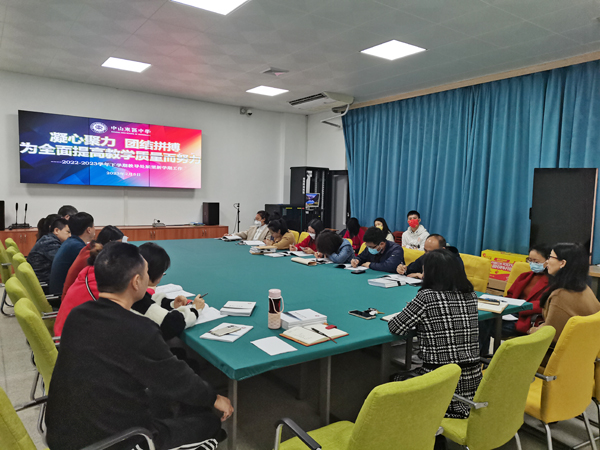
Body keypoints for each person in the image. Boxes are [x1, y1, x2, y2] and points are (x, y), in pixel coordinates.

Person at [46, 242, 232, 450]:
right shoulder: (138, 329)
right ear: (136, 282)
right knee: (209, 423)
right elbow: (175, 377)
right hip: (114, 442)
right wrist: (214, 398)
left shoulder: (78, 315)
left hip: (63, 435)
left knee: (167, 398)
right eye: (146, 274)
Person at [388, 249, 482, 421]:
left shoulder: (427, 296)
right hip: (472, 385)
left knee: (395, 377)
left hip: (440, 386)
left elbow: (396, 327)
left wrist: (412, 310)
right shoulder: (471, 295)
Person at [528, 243, 600, 344]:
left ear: (562, 263)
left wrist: (531, 330)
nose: (547, 261)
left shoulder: (560, 295)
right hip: (584, 347)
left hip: (561, 350)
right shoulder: (585, 289)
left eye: (550, 257)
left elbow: (550, 336)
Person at [133, 242, 206, 340]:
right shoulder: (139, 302)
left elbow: (151, 301)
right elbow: (172, 324)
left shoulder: (130, 292)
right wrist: (195, 309)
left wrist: (171, 304)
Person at [61, 225, 124, 300]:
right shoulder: (91, 258)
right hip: (74, 299)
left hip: (72, 298)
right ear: (110, 244)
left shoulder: (90, 250)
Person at [504, 244, 551, 335]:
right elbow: (510, 295)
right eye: (530, 260)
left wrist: (520, 307)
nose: (532, 263)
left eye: (536, 261)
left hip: (527, 319)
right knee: (482, 322)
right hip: (510, 314)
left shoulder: (553, 282)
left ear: (548, 261)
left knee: (487, 326)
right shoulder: (524, 276)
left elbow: (545, 305)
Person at [49, 212, 95, 295]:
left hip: (59, 291)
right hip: (62, 295)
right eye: (93, 226)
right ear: (89, 230)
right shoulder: (77, 247)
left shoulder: (70, 242)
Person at [396, 234, 464, 279]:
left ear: (443, 250)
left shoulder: (454, 260)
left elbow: (449, 283)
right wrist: (403, 269)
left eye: (431, 252)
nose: (427, 254)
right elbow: (411, 269)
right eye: (425, 250)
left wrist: (422, 276)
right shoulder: (426, 256)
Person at [28, 218, 70, 284]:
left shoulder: (48, 239)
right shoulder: (50, 243)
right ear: (56, 230)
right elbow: (63, 262)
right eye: (68, 232)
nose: (70, 235)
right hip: (43, 281)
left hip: (41, 278)